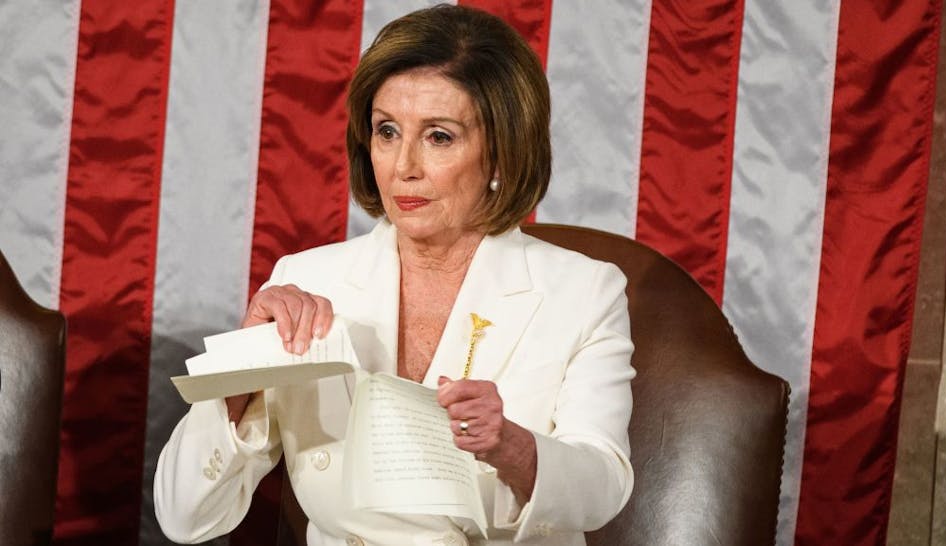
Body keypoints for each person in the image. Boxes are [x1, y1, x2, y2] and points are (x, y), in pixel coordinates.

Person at [154, 5, 634, 545]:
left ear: (502, 152)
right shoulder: (308, 280)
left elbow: (603, 486)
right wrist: (238, 369)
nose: (403, 164)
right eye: (387, 131)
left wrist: (513, 447)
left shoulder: (585, 291)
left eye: (439, 137)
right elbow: (184, 517)